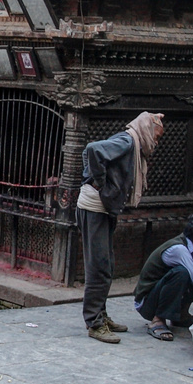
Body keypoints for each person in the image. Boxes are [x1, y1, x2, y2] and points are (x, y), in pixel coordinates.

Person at [77, 112, 165, 343]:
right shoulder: (127, 141)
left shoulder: (132, 144)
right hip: (94, 206)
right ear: (147, 129)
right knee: (99, 266)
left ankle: (101, 316)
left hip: (104, 208)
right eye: (157, 136)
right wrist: (102, 183)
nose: (156, 141)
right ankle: (94, 322)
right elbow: (93, 149)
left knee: (106, 265)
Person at [132, 210, 193, 341]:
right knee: (182, 273)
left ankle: (181, 315)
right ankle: (158, 319)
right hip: (147, 303)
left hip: (156, 296)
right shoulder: (179, 249)